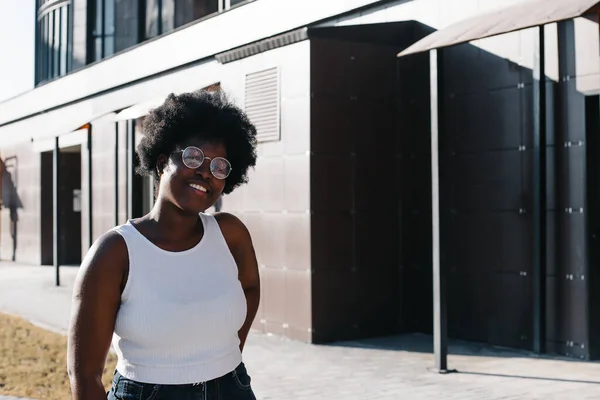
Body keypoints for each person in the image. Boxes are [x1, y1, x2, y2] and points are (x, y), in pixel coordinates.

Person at [67, 90, 260, 400]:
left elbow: (250, 287)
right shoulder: (115, 251)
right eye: (193, 156)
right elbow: (85, 374)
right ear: (161, 162)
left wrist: (225, 351)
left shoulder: (231, 234)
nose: (204, 172)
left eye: (219, 166)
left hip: (232, 387)